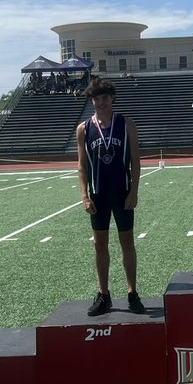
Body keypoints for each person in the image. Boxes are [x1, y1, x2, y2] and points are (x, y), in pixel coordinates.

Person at [77, 78, 144, 316]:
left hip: (122, 193)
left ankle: (132, 293)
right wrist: (84, 196)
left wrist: (134, 191)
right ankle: (103, 294)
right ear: (91, 100)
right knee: (100, 244)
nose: (101, 102)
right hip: (98, 195)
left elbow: (136, 161)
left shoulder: (126, 124)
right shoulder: (84, 129)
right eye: (96, 98)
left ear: (112, 98)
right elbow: (82, 166)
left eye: (105, 97)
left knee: (127, 242)